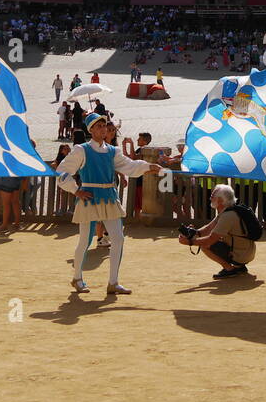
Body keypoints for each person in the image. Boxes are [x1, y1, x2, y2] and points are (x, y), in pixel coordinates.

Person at [56, 112, 160, 294]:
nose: (103, 129)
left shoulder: (113, 151)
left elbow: (130, 166)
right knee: (84, 241)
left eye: (104, 126)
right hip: (89, 198)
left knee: (118, 239)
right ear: (91, 130)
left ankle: (113, 282)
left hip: (110, 197)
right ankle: (77, 277)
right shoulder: (82, 150)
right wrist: (75, 190)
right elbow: (62, 171)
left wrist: (149, 167)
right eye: (98, 126)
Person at [181, 183, 255, 278]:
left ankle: (229, 269)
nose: (210, 198)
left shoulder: (227, 216)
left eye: (212, 196)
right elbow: (208, 227)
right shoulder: (228, 210)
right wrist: (194, 232)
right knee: (209, 240)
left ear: (220, 200)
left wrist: (190, 242)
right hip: (246, 251)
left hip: (243, 254)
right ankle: (240, 266)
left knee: (205, 245)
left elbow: (211, 239)